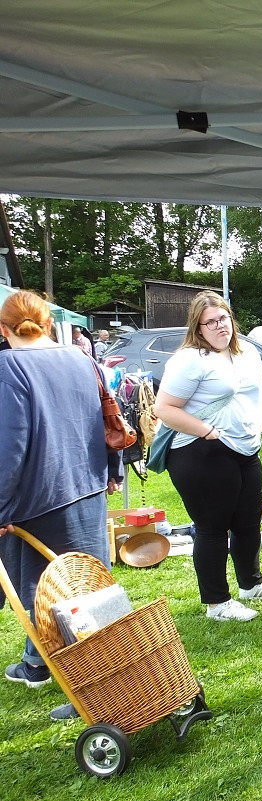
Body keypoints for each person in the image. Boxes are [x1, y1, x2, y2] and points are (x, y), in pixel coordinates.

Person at [0, 290, 122, 720]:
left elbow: (9, 444)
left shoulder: (9, 366)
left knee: (53, 597)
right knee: (88, 587)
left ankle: (94, 689)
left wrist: (0, 506)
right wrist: (113, 470)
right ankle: (40, 665)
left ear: (3, 329)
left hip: (38, 498)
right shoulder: (81, 358)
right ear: (49, 322)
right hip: (86, 486)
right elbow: (110, 417)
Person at [156, 291, 262, 622]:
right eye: (211, 322)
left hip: (245, 447)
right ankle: (217, 602)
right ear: (198, 328)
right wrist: (206, 431)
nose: (220, 326)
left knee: (247, 521)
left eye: (224, 319)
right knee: (213, 526)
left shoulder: (245, 354)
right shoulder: (190, 359)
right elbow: (164, 408)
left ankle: (251, 584)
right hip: (200, 450)